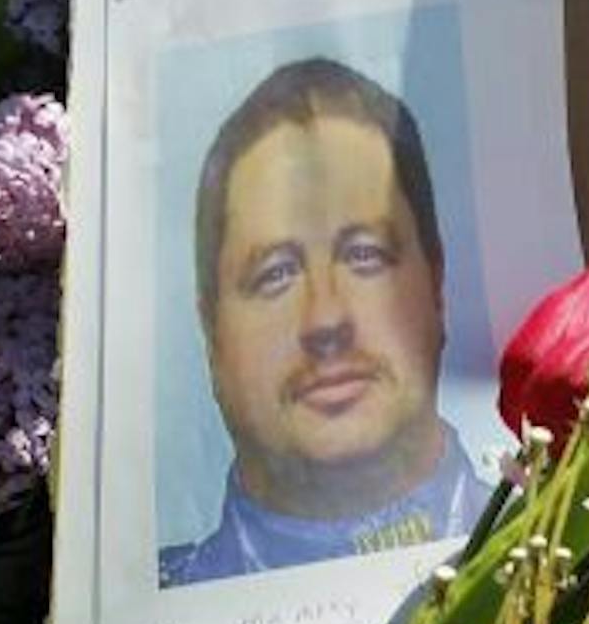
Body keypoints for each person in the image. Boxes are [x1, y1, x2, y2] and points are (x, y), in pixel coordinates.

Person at [158, 58, 488, 587]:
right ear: (211, 334)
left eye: (364, 256)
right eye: (275, 274)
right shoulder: (161, 602)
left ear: (437, 284)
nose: (326, 318)